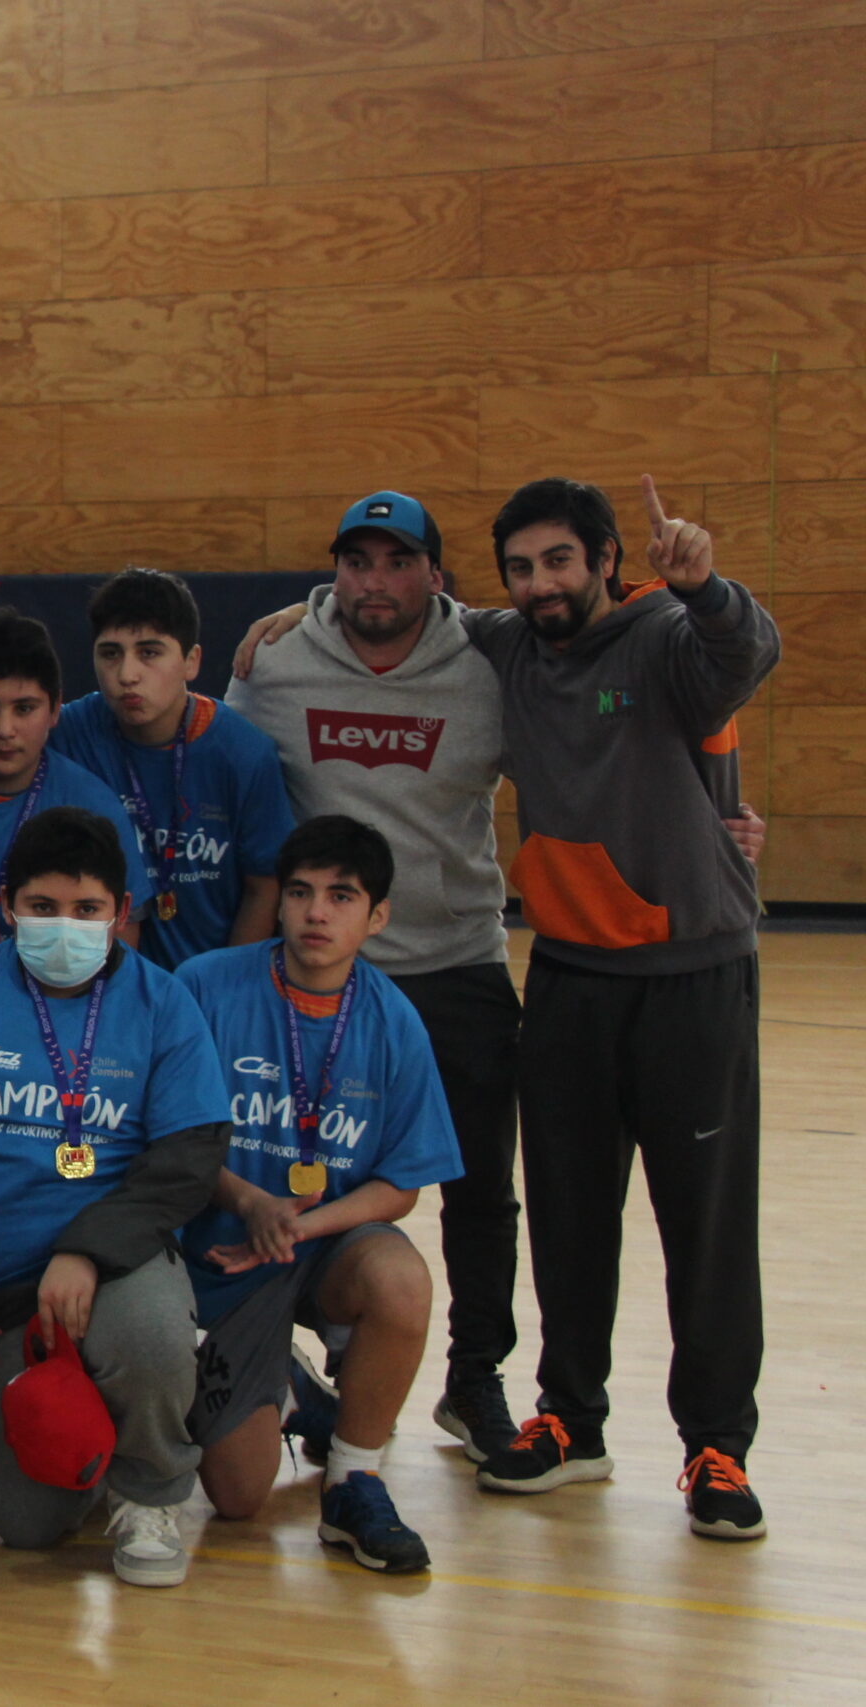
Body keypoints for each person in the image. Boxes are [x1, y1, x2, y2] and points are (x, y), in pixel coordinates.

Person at [227, 490, 770, 1467]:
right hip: (342, 975)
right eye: (357, 563)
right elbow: (224, 766)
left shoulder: (512, 654)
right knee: (289, 1175)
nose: (376, 582)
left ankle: (500, 1386)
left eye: (400, 563)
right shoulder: (289, 662)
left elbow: (709, 678)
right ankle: (303, 1363)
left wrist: (705, 597)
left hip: (474, 963)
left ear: (435, 577)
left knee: (500, 1194)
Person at [464, 478, 779, 1539]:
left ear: (604, 559)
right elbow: (408, 615)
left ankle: (716, 1450)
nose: (540, 584)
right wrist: (301, 611)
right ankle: (570, 1423)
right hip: (565, 980)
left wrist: (708, 589)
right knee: (564, 1215)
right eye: (520, 566)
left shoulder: (666, 639)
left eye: (559, 560)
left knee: (706, 1226)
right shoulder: (509, 648)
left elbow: (745, 657)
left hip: (692, 978)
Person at [0, 806, 229, 1587]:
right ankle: (86, 1443)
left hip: (112, 1270)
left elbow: (189, 1157)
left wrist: (87, 1247)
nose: (64, 925)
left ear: (121, 914)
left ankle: (150, 1489)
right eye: (43, 907)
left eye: (87, 909)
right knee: (29, 1528)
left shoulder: (165, 1006)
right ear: (6, 903)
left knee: (153, 1333)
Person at [173, 816, 462, 1574]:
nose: (316, 913)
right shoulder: (206, 985)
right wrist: (247, 1202)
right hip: (223, 1254)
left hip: (320, 1248)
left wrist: (302, 1224)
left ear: (378, 915)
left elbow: (403, 1182)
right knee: (238, 1497)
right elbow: (162, 1135)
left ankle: (353, 1480)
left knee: (401, 1280)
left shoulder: (394, 1020)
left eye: (342, 896)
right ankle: (293, 1393)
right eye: (300, 892)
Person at [50, 568, 293, 970]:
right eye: (110, 653)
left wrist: (226, 986)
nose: (127, 675)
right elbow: (1, 733)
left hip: (214, 980)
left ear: (191, 661)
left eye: (149, 652)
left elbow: (264, 885)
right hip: (112, 984)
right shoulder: (74, 729)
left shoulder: (244, 753)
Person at [0, 610, 148, 921]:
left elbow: (122, 934)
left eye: (24, 709)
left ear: (53, 710)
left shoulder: (93, 806)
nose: (5, 729)